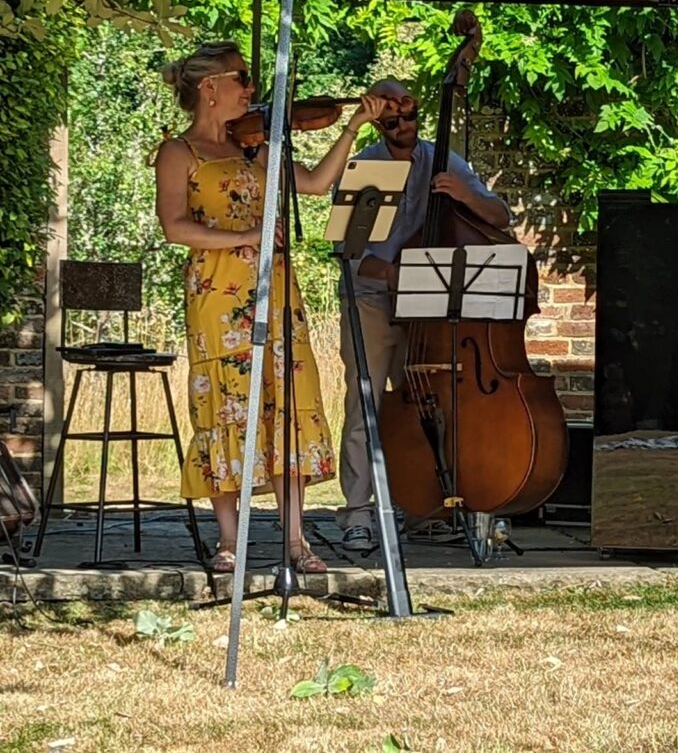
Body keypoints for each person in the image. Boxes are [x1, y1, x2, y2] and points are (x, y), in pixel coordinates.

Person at [155, 42, 366, 573]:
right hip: (217, 294)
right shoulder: (179, 152)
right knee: (226, 407)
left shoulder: (256, 147)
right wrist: (245, 234)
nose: (251, 90)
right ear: (209, 88)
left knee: (286, 401)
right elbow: (174, 227)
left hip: (275, 285)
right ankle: (230, 542)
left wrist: (353, 126)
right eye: (241, 79)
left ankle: (296, 541)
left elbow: (316, 184)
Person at [335, 78, 513, 551]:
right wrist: (395, 275)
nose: (404, 127)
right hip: (372, 300)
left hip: (428, 308)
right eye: (391, 122)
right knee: (365, 404)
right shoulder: (365, 168)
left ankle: (425, 506)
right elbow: (350, 251)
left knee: (429, 404)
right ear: (378, 123)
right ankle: (357, 512)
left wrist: (465, 193)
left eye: (409, 117)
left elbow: (500, 217)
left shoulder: (443, 159)